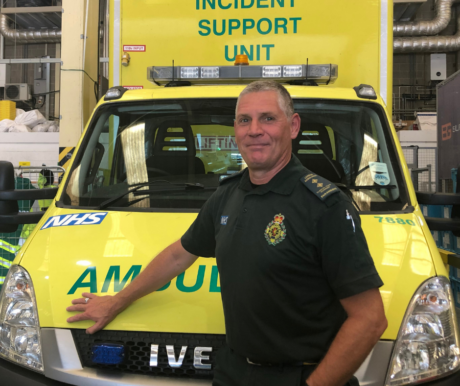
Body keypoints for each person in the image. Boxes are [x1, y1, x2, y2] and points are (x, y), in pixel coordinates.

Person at [67, 80, 387, 386]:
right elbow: (179, 255)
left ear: (293, 126)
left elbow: (370, 320)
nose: (254, 130)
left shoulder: (324, 207)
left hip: (299, 375)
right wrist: (116, 302)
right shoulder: (228, 195)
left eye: (268, 119)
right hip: (234, 371)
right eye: (244, 120)